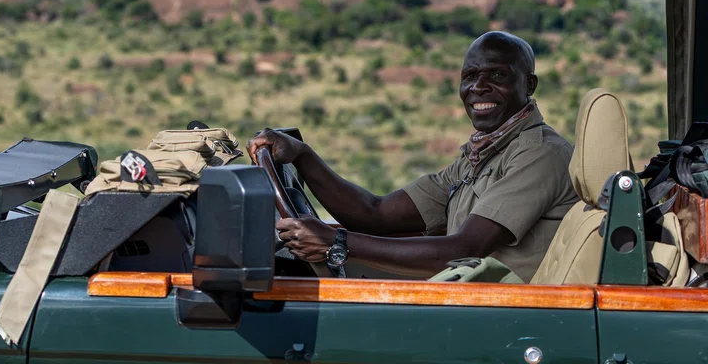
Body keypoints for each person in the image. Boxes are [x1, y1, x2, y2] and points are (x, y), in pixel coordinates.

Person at [246, 31, 579, 282]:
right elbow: (373, 214)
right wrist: (304, 156)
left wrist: (337, 241)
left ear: (529, 84)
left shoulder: (539, 154)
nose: (478, 87)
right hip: (466, 301)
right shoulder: (481, 155)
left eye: (497, 76)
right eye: (469, 76)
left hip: (508, 315)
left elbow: (462, 250)